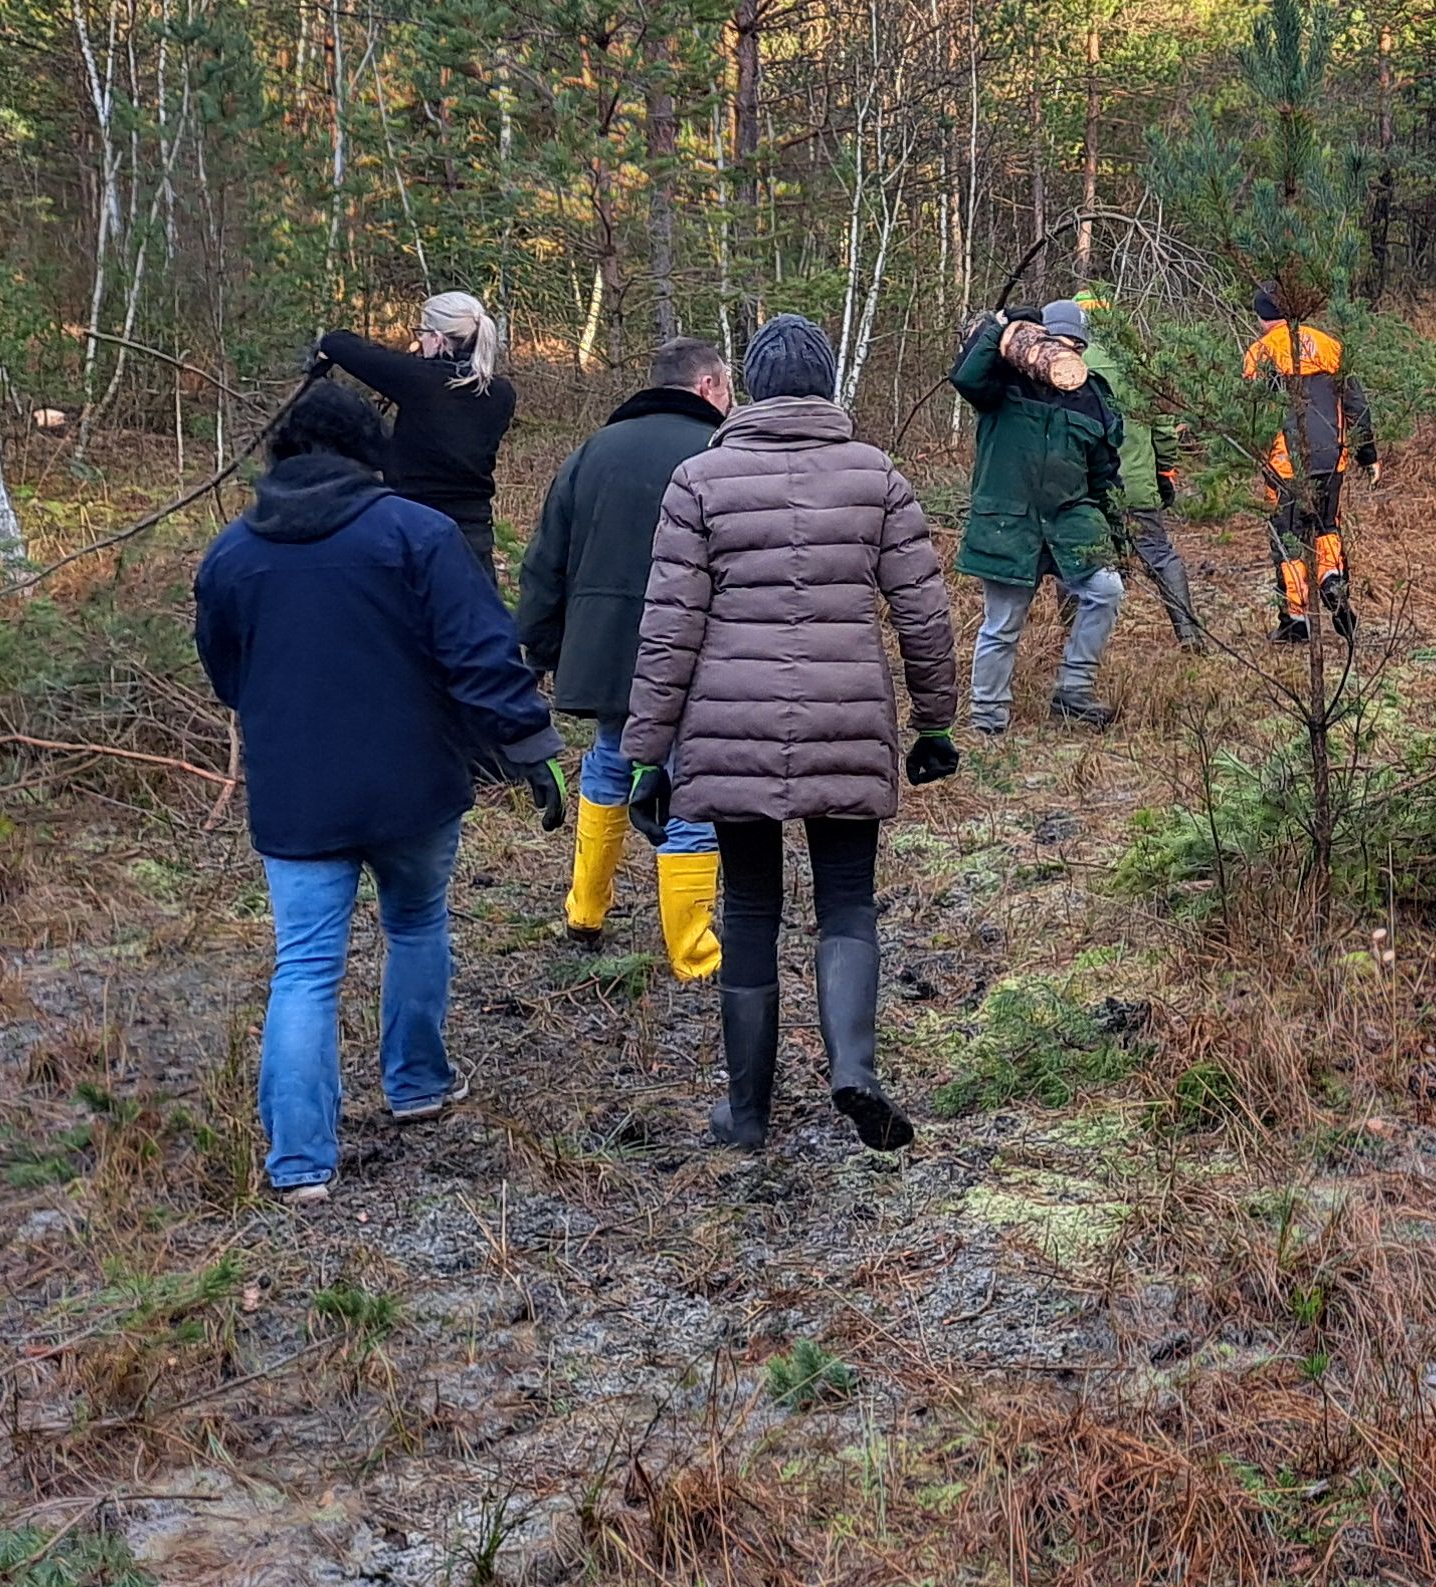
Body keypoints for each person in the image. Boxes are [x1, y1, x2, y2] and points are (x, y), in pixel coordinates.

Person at [191, 374, 562, 1200]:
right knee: (418, 923)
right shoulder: (416, 534)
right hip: (414, 787)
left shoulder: (233, 553)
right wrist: (532, 747)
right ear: (372, 452)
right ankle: (419, 1084)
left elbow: (225, 674)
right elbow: (480, 652)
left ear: (280, 455)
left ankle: (299, 1166)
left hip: (297, 798)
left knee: (305, 969)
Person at [623, 316, 962, 1157]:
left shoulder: (697, 481)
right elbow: (922, 612)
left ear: (751, 390)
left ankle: (746, 1115)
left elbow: (669, 630)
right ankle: (854, 1069)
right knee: (847, 902)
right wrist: (936, 720)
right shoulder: (874, 474)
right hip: (845, 718)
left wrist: (644, 757)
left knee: (747, 909)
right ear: (825, 386)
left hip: (729, 727)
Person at [514, 333, 731, 978]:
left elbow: (545, 560)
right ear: (706, 388)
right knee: (690, 780)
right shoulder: (719, 453)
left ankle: (584, 911)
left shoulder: (592, 452)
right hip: (696, 650)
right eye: (727, 388)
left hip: (604, 650)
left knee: (611, 754)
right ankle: (693, 952)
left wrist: (544, 647)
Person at [951, 296, 1131, 731]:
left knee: (1105, 590)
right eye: (1058, 342)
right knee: (1003, 624)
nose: (1066, 354)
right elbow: (965, 377)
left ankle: (1073, 691)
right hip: (1008, 523)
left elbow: (1106, 473)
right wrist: (1004, 326)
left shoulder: (1093, 398)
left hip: (1070, 522)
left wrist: (1118, 537)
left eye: (1075, 346)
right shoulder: (1003, 384)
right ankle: (988, 717)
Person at [315, 294, 520, 563]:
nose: (419, 340)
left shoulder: (421, 382)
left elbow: (339, 343)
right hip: (472, 533)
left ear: (438, 338)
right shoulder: (502, 394)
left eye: (422, 332)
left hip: (413, 526)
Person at [1080, 308, 1214, 651]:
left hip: (1085, 486)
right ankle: (1189, 635)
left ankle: (1071, 640)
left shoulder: (1066, 363)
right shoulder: (1138, 363)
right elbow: (1163, 430)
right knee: (1159, 555)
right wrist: (1163, 474)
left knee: (1078, 557)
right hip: (1136, 484)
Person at [1243, 300, 1377, 640]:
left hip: (1286, 462)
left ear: (1261, 318)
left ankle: (1296, 621)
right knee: (1326, 527)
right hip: (1332, 457)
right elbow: (1356, 404)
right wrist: (1368, 455)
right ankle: (1334, 585)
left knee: (1287, 537)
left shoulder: (1260, 354)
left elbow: (1253, 414)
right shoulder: (1330, 346)